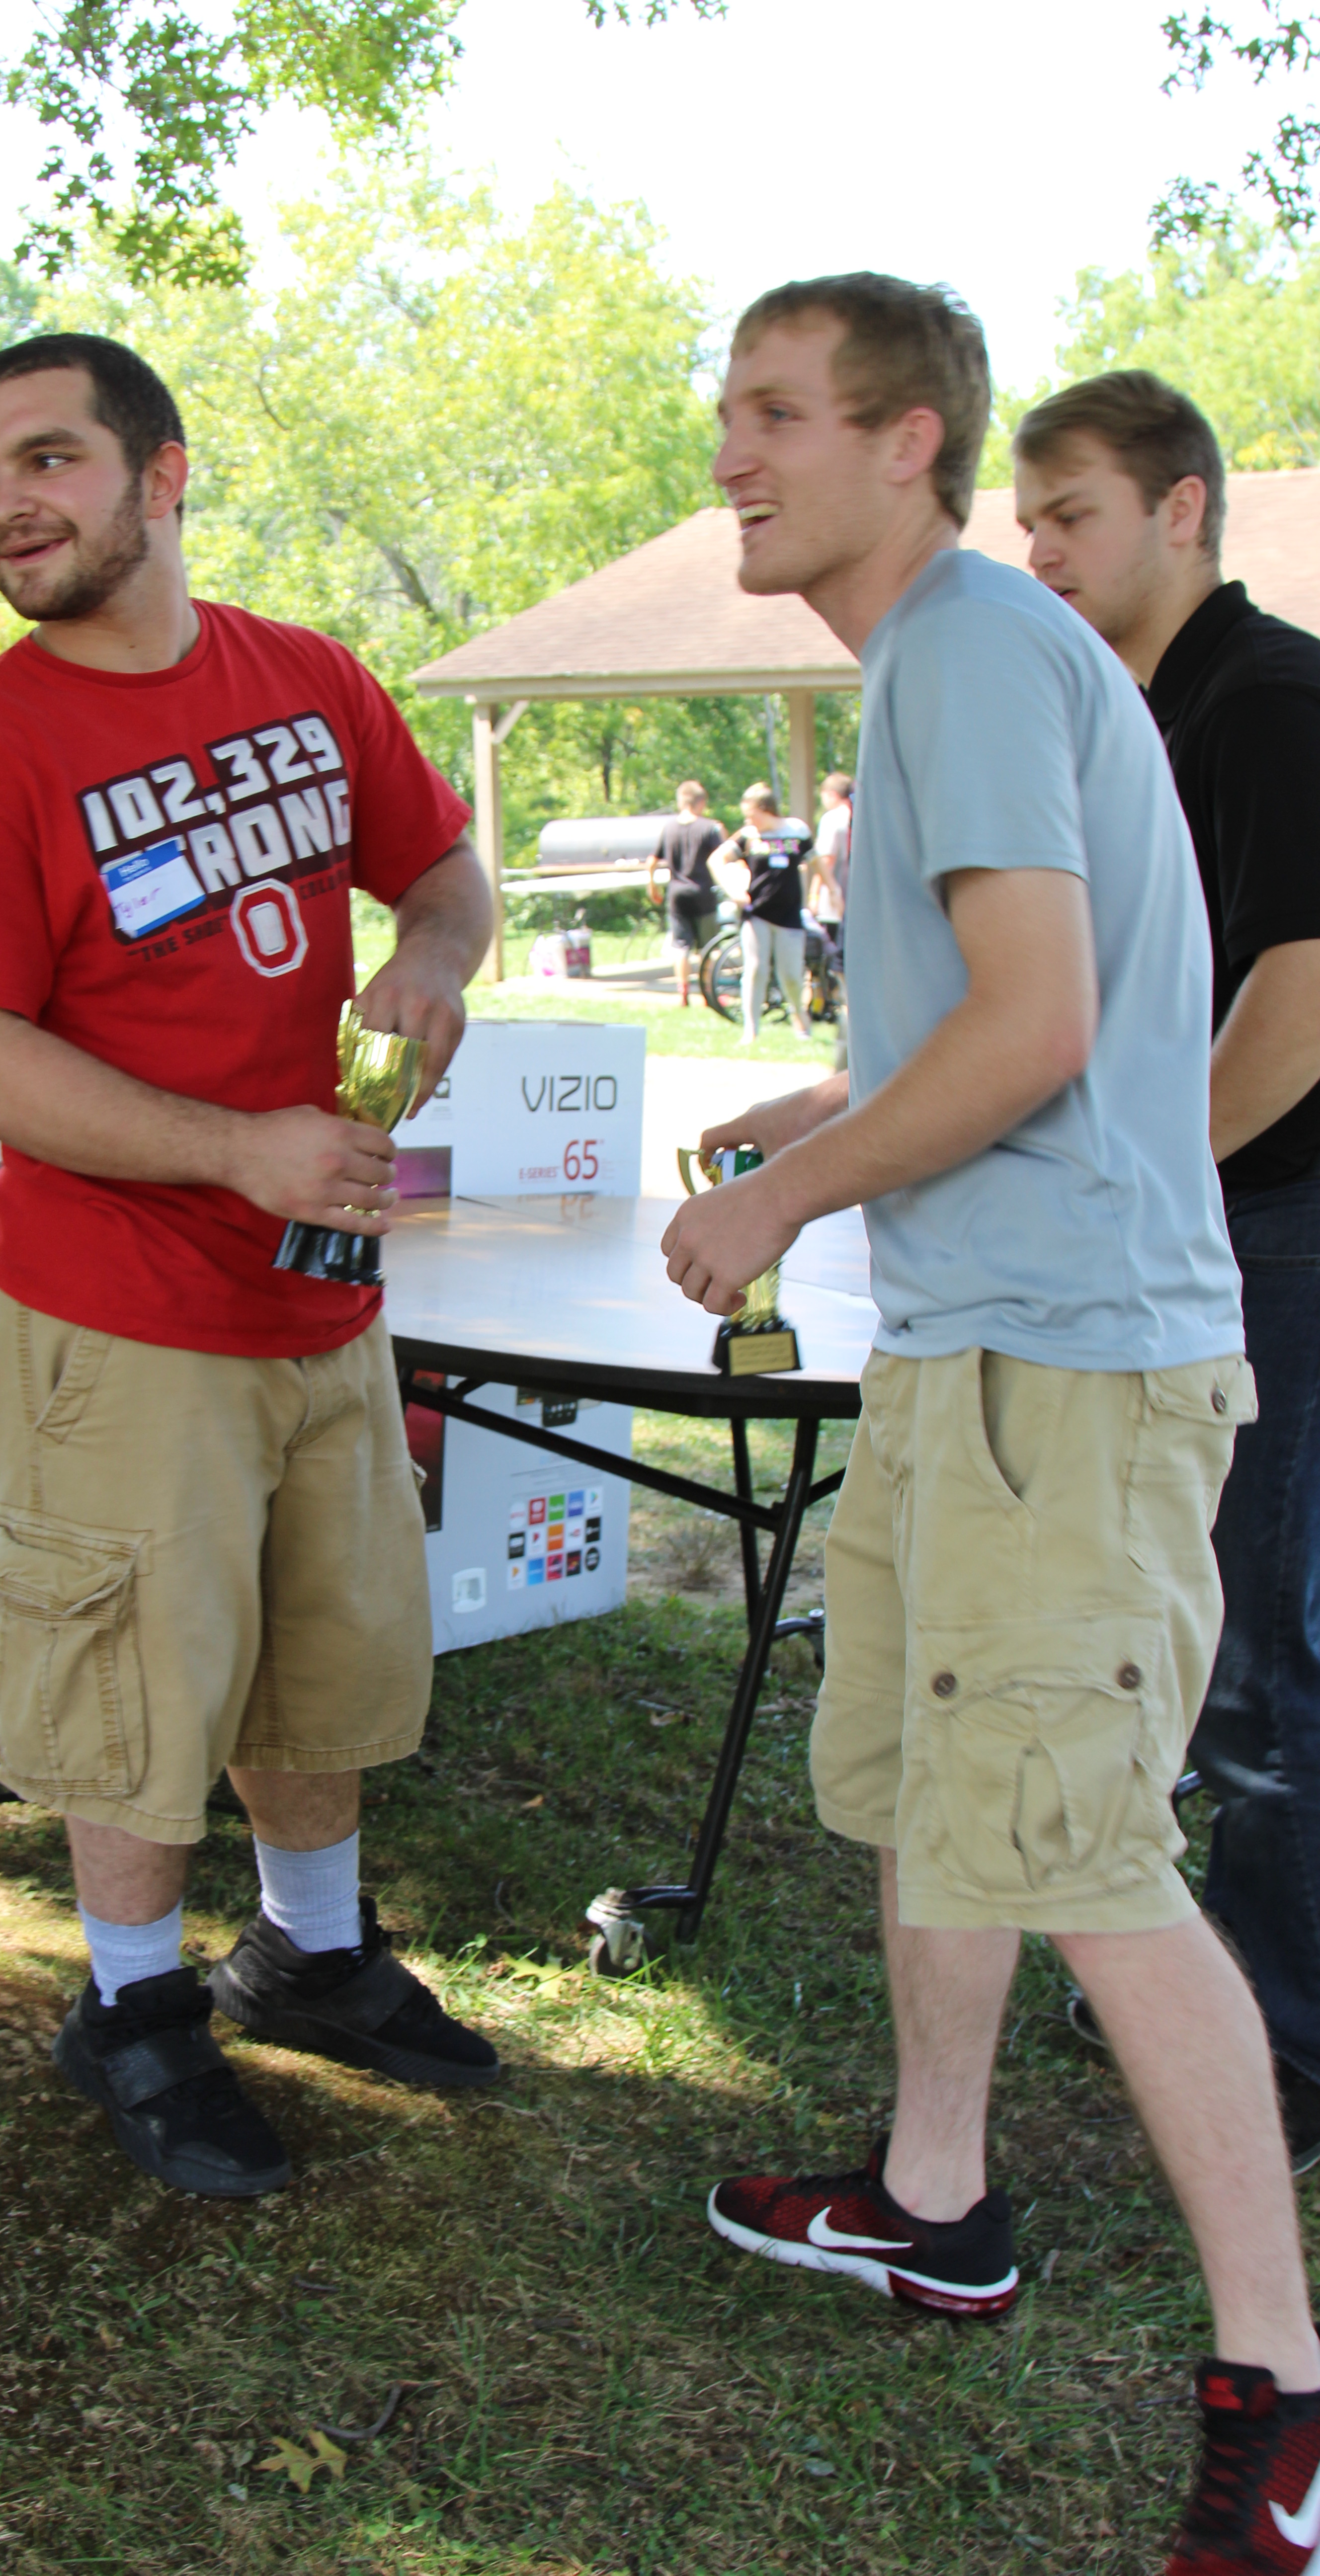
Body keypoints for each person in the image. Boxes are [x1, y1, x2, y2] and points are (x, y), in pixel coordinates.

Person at [661, 272, 1320, 2576]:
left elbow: (1035, 1030)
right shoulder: (950, 657)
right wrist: (824, 1104)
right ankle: (930, 2202)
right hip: (979, 1348)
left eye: (768, 412)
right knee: (948, 1790)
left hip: (1070, 1365)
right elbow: (1043, 1009)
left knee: (1086, 1858)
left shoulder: (949, 640)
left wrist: (783, 1204)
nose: (726, 453)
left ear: (900, 438)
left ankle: (1281, 2395)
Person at [0, 331, 500, 2204]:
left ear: (167, 472)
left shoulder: (305, 680)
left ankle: (311, 1949)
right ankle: (132, 2012)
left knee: (324, 1655)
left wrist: (432, 969)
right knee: (136, 1686)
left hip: (319, 1299)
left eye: (46, 459)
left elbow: (446, 875)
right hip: (116, 1316)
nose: (5, 508)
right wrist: (233, 1145)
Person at [1014, 369, 1320, 2183]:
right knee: (1189, 1636)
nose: (1039, 550)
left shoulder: (1271, 703)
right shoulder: (1141, 712)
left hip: (1273, 1235)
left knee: (1267, 1659)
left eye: (1070, 515)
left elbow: (1289, 1022)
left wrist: (1122, 1194)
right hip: (1204, 1235)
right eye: (1028, 519)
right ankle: (1212, 1975)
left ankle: (1285, 2038)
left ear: (1182, 509)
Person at [712, 783, 813, 1038]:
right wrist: (733, 890)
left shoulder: (797, 830)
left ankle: (799, 1018)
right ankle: (751, 1030)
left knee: (790, 974)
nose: (748, 820)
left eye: (751, 814)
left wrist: (830, 889)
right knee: (756, 969)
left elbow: (816, 861)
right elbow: (716, 859)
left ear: (766, 809)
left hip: (789, 914)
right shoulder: (748, 836)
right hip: (757, 912)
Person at [644, 779, 722, 1004]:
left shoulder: (669, 828)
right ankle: (709, 992)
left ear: (680, 802)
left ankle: (683, 991)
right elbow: (724, 856)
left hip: (677, 894)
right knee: (709, 947)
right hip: (704, 893)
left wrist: (652, 886)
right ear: (702, 803)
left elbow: (652, 861)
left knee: (681, 946)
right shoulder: (709, 828)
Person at [813, 769, 853, 955]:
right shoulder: (860, 816)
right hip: (856, 895)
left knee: (832, 953)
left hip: (834, 898)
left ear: (832, 795)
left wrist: (813, 896)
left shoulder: (831, 819)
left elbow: (825, 860)